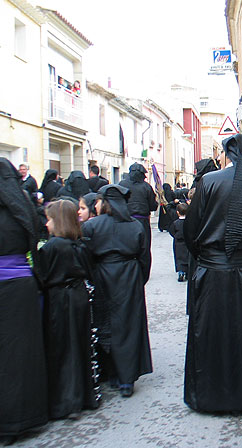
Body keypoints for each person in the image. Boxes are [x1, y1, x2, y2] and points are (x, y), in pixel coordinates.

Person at [183, 133, 242, 413]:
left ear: (229, 154)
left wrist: (206, 257)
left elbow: (192, 230)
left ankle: (209, 398)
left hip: (212, 272)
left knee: (209, 336)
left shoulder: (210, 181)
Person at [81, 184, 153, 398]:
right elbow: (144, 257)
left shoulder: (92, 226)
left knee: (105, 322)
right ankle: (127, 379)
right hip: (129, 277)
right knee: (128, 325)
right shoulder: (135, 226)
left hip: (102, 275)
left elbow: (86, 256)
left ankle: (110, 372)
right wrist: (139, 279)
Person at [0, 158, 48, 443]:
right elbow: (37, 239)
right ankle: (23, 417)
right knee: (21, 353)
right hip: (20, 286)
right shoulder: (23, 206)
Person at [39, 199, 100, 419]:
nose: (47, 225)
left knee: (62, 348)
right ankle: (83, 395)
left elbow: (43, 277)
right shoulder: (81, 244)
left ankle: (66, 400)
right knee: (80, 345)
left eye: (49, 220)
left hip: (60, 299)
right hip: (79, 296)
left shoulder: (52, 247)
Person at [119, 163, 158, 283]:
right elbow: (152, 206)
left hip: (125, 220)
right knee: (144, 247)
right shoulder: (146, 187)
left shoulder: (121, 185)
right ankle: (143, 271)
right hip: (142, 221)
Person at [169, 203, 189, 282]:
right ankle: (188, 272)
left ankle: (181, 273)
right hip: (187, 242)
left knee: (179, 258)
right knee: (187, 257)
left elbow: (172, 231)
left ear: (177, 212)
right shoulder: (189, 222)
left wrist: (176, 236)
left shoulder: (175, 223)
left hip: (178, 243)